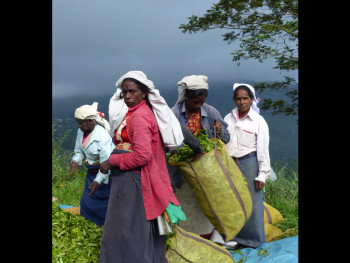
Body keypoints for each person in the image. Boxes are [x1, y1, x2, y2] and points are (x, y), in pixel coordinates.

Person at [98, 71, 186, 263]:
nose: (128, 96)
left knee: (129, 230)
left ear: (144, 93)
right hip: (129, 179)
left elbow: (142, 156)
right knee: (134, 228)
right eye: (124, 93)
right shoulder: (135, 113)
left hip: (134, 181)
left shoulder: (140, 117)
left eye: (132, 92)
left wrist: (112, 161)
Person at [169, 74, 230, 237]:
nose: (199, 105)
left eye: (201, 102)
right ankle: (184, 239)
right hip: (182, 174)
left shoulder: (211, 112)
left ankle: (207, 239)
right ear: (186, 96)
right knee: (185, 208)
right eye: (195, 102)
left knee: (204, 208)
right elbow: (168, 143)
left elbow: (226, 139)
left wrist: (219, 132)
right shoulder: (173, 114)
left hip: (206, 173)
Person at [223, 83, 272, 248]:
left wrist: (262, 174)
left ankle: (255, 241)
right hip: (231, 164)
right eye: (238, 98)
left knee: (253, 203)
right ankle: (237, 239)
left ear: (251, 99)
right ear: (234, 100)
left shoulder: (258, 121)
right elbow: (223, 141)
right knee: (233, 201)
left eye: (245, 98)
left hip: (249, 163)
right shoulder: (228, 118)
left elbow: (263, 149)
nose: (242, 102)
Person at [69, 102, 115, 227]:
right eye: (77, 122)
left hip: (105, 173)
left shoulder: (102, 136)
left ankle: (105, 227)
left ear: (90, 121)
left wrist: (98, 180)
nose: (79, 126)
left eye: (81, 122)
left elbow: (106, 164)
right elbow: (79, 151)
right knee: (86, 201)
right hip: (91, 172)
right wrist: (75, 161)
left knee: (103, 203)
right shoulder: (81, 132)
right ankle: (88, 225)